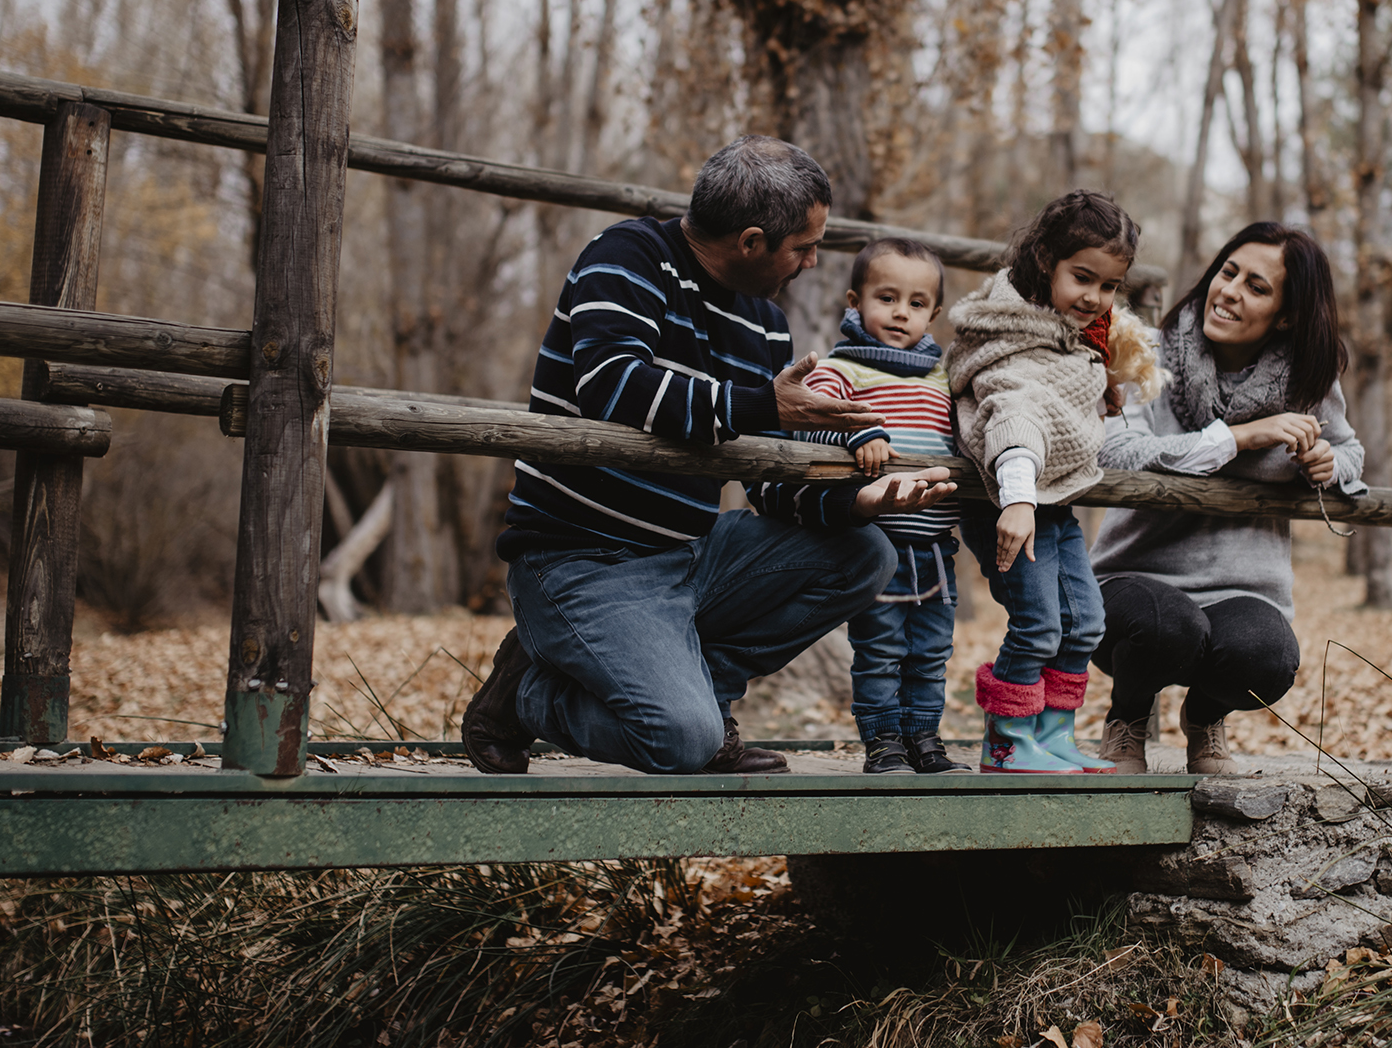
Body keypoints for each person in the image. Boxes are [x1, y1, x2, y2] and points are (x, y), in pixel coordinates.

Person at [460, 136, 957, 777]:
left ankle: (703, 691)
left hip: (691, 552)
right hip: (581, 557)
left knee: (866, 554)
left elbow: (767, 478)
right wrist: (761, 407)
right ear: (751, 242)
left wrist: (854, 500)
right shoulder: (628, 256)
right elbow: (611, 382)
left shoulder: (766, 322)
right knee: (680, 744)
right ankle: (526, 695)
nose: (810, 264)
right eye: (803, 247)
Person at [1090, 222, 1366, 776]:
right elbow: (1118, 450)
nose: (1230, 291)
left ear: (1286, 314)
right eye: (1228, 272)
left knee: (1268, 657)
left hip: (1243, 589)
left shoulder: (1307, 380)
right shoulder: (1148, 354)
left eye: (1257, 287)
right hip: (1130, 582)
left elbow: (1350, 450)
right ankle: (1127, 721)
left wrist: (1329, 465)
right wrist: (1242, 436)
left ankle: (1205, 720)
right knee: (1171, 625)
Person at [946, 191, 1145, 774]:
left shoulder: (1070, 336)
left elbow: (1064, 399)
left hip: (1050, 505)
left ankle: (1053, 737)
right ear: (1043, 261)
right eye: (1082, 277)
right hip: (1010, 503)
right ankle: (1007, 744)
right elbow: (1016, 416)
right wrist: (1018, 502)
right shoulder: (1013, 338)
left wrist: (1098, 390)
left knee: (1085, 622)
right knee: (1037, 624)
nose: (1094, 297)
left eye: (1109, 286)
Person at [794, 238, 971, 775]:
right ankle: (884, 742)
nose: (901, 312)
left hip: (936, 546)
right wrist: (861, 428)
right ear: (855, 302)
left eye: (917, 303)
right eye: (886, 297)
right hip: (881, 542)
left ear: (933, 314)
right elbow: (817, 403)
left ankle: (925, 739)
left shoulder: (943, 375)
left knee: (931, 653)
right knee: (879, 650)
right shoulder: (844, 367)